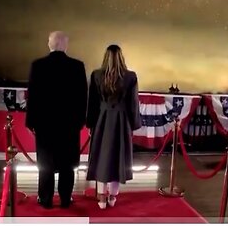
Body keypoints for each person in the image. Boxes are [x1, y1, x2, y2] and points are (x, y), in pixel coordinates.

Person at [25, 31, 88, 209]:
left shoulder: (38, 65)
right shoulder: (77, 66)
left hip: (44, 124)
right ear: (65, 45)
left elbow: (34, 97)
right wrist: (80, 121)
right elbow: (82, 97)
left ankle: (45, 199)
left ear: (50, 44)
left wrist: (30, 122)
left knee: (45, 164)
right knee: (67, 164)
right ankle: (66, 199)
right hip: (69, 124)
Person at [86, 44, 142, 209]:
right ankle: (112, 197)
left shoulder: (96, 75)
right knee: (118, 158)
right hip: (121, 121)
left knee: (102, 158)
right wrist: (133, 124)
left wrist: (90, 123)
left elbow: (92, 103)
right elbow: (133, 104)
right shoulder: (130, 77)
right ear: (121, 57)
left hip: (102, 120)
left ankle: (101, 197)